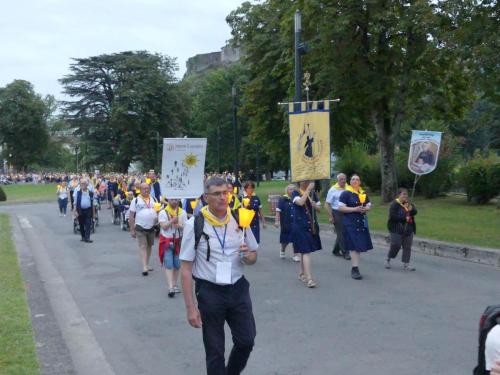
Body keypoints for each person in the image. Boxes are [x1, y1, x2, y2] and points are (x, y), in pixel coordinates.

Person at [180, 177, 258, 375]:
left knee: (246, 340)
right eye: (217, 194)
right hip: (210, 292)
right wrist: (191, 308)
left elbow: (253, 255)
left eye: (226, 192)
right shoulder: (195, 225)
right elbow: (186, 269)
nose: (223, 197)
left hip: (238, 289)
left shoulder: (240, 219)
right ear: (206, 198)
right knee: (215, 351)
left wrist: (248, 256)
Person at [338, 174, 373, 280]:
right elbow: (341, 208)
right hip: (350, 222)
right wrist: (355, 209)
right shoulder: (346, 193)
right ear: (350, 181)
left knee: (358, 246)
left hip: (361, 222)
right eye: (353, 179)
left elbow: (369, 205)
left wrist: (365, 209)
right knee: (354, 245)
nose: (355, 181)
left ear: (360, 182)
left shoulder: (363, 193)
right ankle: (355, 268)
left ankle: (355, 267)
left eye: (357, 179)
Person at [291, 181, 322, 288]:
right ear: (300, 182)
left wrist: (315, 205)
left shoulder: (313, 193)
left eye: (308, 181)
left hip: (310, 225)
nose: (307, 182)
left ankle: (301, 273)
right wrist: (308, 190)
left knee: (305, 251)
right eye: (305, 181)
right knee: (306, 251)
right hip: (300, 226)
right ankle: (309, 279)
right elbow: (300, 202)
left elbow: (319, 210)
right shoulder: (295, 192)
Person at [158, 199, 187, 298]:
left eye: (176, 200)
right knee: (169, 263)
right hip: (167, 241)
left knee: (177, 264)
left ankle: (174, 284)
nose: (174, 201)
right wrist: (172, 221)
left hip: (178, 241)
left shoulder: (182, 212)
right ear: (168, 200)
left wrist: (180, 225)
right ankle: (170, 287)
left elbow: (186, 227)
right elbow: (164, 226)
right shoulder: (163, 212)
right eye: (172, 199)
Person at [129, 183, 158, 276]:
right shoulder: (136, 200)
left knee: (149, 246)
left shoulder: (154, 199)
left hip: (151, 226)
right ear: (140, 190)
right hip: (140, 226)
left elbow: (158, 210)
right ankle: (144, 266)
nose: (146, 190)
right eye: (144, 188)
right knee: (143, 246)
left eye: (147, 188)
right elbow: (131, 215)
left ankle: (147, 263)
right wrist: (132, 229)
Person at [386, 188, 417, 271]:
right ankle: (389, 259)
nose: (405, 196)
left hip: (408, 228)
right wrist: (404, 218)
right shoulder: (394, 204)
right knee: (396, 245)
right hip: (396, 228)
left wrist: (412, 209)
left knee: (407, 246)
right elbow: (392, 216)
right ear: (399, 195)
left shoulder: (408, 203)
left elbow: (415, 212)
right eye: (403, 194)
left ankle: (406, 264)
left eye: (406, 194)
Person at [325, 173, 351, 260]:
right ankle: (345, 252)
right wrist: (331, 216)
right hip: (337, 212)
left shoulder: (349, 188)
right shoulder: (333, 190)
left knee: (344, 232)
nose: (343, 181)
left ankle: (336, 250)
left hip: (347, 211)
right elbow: (327, 204)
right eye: (341, 179)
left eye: (344, 179)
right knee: (342, 232)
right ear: (338, 180)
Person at [275, 184, 300, 262]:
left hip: (296, 222)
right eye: (290, 189)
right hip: (286, 223)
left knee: (296, 239)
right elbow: (278, 211)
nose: (292, 191)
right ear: (287, 191)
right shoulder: (283, 199)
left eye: (293, 189)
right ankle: (282, 250)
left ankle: (295, 255)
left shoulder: (297, 199)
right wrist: (276, 221)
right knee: (285, 240)